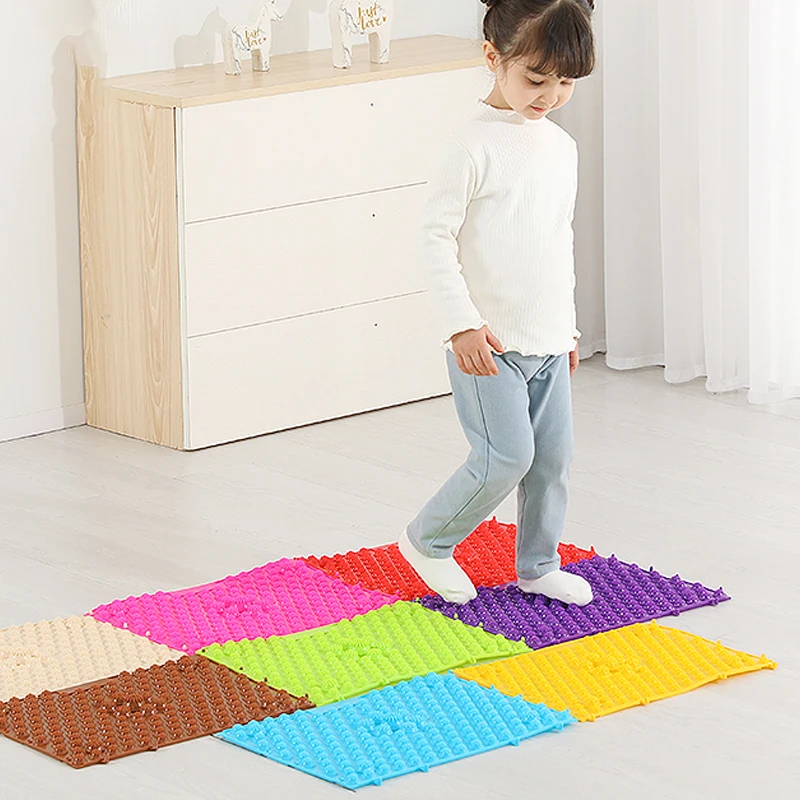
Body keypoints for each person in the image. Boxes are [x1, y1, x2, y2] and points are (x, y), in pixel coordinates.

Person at [397, 0, 597, 605]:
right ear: (493, 57)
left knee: (552, 462)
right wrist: (462, 325)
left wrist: (568, 328)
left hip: (546, 339)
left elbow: (556, 241)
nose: (551, 96)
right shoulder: (470, 146)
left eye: (565, 82)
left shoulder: (561, 148)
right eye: (536, 79)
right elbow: (435, 238)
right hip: (487, 344)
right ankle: (428, 540)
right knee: (505, 458)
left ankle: (537, 564)